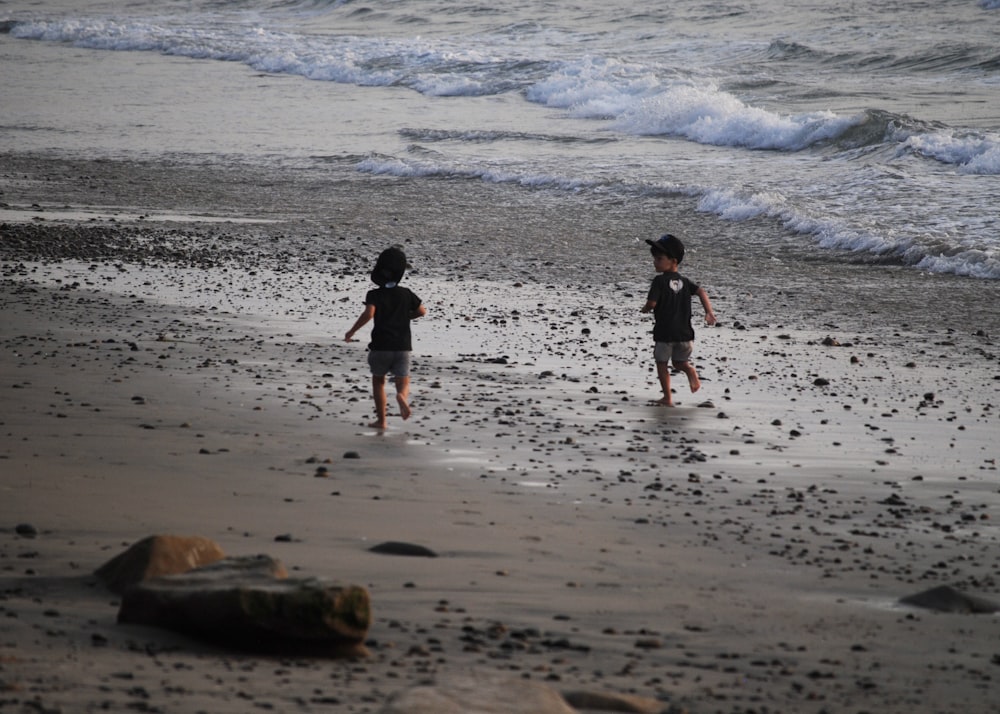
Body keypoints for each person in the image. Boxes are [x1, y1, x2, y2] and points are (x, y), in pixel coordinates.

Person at [344, 246, 427, 429]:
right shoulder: (406, 294)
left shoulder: (374, 294)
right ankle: (401, 397)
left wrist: (352, 331)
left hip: (380, 346)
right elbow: (422, 311)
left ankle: (382, 421)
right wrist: (407, 316)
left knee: (378, 381)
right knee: (403, 380)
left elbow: (369, 314)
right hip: (403, 347)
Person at [640, 233, 716, 406]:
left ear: (673, 261)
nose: (655, 262)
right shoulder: (685, 281)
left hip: (665, 334)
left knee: (661, 363)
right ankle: (690, 371)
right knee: (679, 362)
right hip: (685, 335)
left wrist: (645, 309)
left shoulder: (659, 281)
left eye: (659, 258)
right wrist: (709, 312)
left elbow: (652, 303)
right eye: (655, 258)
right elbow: (701, 291)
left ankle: (667, 397)